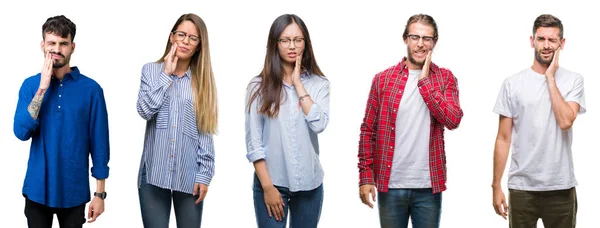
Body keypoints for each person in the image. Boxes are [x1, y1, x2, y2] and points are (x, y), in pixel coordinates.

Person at [357, 14, 463, 228]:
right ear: (405, 39)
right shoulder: (383, 79)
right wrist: (366, 176)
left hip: (427, 186)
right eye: (415, 37)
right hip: (391, 184)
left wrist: (424, 83)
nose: (421, 44)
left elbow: (453, 120)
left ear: (435, 42)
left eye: (427, 38)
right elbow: (369, 130)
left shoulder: (445, 78)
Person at [13, 15, 110, 228]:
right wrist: (43, 87)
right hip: (37, 191)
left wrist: (100, 194)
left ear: (72, 47)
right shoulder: (30, 86)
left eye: (63, 43)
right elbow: (20, 132)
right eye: (52, 43)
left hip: (74, 193)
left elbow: (100, 144)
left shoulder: (91, 90)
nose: (57, 49)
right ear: (43, 45)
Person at [491, 14, 585, 228]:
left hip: (561, 187)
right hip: (522, 188)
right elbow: (503, 138)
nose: (546, 45)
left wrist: (550, 78)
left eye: (552, 40)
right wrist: (496, 185)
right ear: (532, 41)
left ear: (562, 44)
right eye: (541, 39)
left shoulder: (573, 80)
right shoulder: (512, 84)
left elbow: (565, 121)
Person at [245, 13, 330, 228]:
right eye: (285, 40)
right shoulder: (257, 87)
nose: (292, 46)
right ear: (275, 44)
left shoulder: (319, 84)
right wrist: (268, 188)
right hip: (272, 183)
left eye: (298, 40)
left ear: (305, 43)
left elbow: (319, 124)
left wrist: (298, 85)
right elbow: (254, 143)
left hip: (310, 186)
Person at [136, 13, 218, 228]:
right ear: (172, 37)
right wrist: (166, 75)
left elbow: (205, 130)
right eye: (181, 34)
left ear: (199, 45)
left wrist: (205, 174)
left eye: (193, 38)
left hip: (189, 176)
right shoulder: (151, 71)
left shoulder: (202, 81)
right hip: (154, 173)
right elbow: (144, 111)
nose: (185, 41)